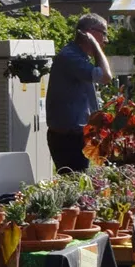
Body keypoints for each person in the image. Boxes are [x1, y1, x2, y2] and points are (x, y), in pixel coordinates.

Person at [43, 13, 111, 172]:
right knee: (75, 185)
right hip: (67, 138)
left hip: (74, 135)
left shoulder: (79, 57)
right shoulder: (70, 57)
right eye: (104, 34)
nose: (105, 40)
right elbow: (106, 76)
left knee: (82, 185)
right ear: (90, 32)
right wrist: (95, 45)